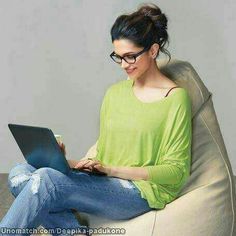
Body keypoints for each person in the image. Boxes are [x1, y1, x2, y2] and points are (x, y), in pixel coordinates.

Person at [0, 3, 192, 236]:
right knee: (21, 172)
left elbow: (176, 171)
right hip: (102, 180)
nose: (123, 65)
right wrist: (66, 162)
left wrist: (111, 170)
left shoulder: (174, 98)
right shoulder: (114, 93)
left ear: (152, 50)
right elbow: (103, 152)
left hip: (138, 191)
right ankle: (72, 232)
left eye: (130, 57)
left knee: (45, 181)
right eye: (118, 57)